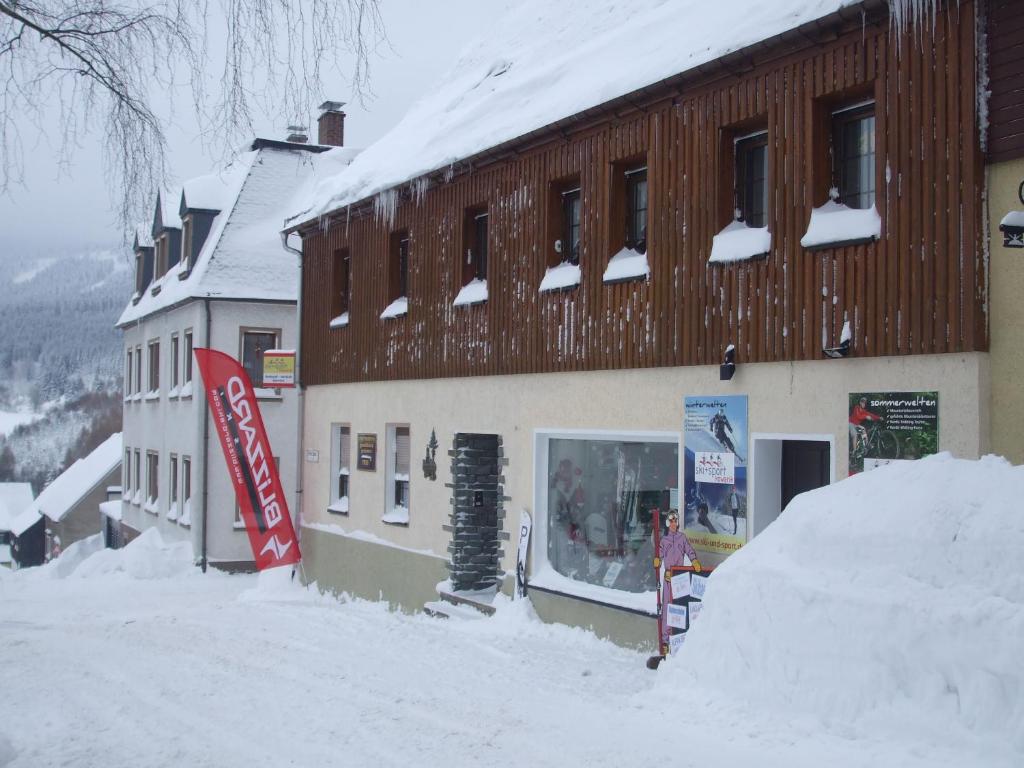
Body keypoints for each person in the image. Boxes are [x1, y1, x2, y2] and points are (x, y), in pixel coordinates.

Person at [658, 510, 701, 649]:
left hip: (680, 578)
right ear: (667, 523)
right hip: (669, 577)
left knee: (679, 607)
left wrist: (694, 560)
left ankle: (679, 638)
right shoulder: (664, 540)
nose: (673, 523)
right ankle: (665, 641)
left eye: (675, 520)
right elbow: (659, 554)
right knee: (667, 607)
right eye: (670, 520)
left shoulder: (682, 538)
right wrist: (657, 560)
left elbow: (689, 550)